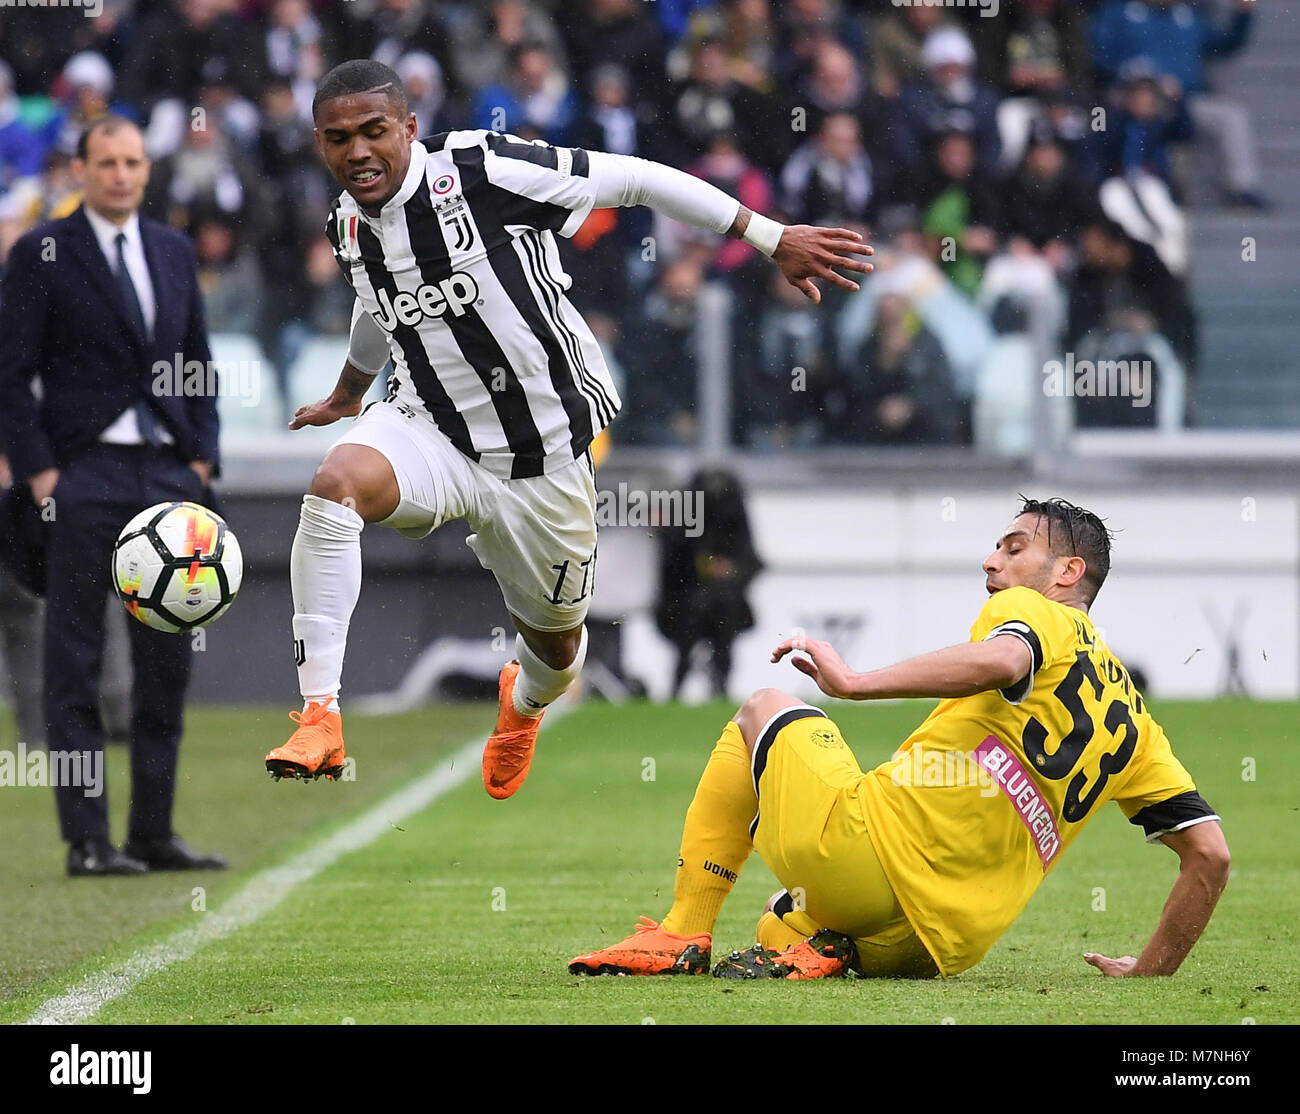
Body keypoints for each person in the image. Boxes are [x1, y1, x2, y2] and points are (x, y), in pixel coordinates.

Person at [265, 59, 874, 800]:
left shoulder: (483, 170)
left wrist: (771, 236)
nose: (357, 151)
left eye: (373, 132)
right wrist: (349, 392)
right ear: (319, 145)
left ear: (409, 128)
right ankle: (321, 715)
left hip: (543, 457)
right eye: (337, 139)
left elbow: (641, 178)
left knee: (558, 651)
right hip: (432, 431)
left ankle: (521, 705)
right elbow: (377, 299)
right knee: (332, 488)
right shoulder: (348, 224)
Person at [571, 497, 1228, 979]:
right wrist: (1151, 973)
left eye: (1013, 547)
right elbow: (1211, 856)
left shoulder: (1036, 613)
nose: (991, 560)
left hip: (869, 863)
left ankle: (685, 930)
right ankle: (834, 949)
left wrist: (853, 682)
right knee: (779, 919)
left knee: (764, 706)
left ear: (1066, 574)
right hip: (938, 947)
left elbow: (1004, 660)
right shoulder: (1138, 726)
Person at [0, 115, 226, 876]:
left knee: (166, 664)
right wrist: (41, 475)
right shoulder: (43, 250)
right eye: (108, 163)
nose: (122, 175)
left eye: (133, 162)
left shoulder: (172, 249)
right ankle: (88, 841)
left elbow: (198, 362)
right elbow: (8, 373)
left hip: (167, 476)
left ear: (146, 169)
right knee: (75, 664)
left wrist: (201, 460)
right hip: (82, 476)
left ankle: (152, 833)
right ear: (82, 168)